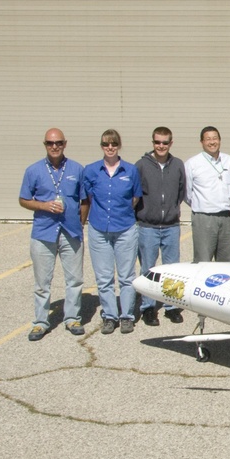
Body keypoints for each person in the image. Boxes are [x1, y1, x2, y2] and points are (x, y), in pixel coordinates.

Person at [19, 128, 86, 340]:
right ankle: (40, 322)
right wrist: (43, 205)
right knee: (42, 282)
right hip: (43, 232)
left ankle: (72, 318)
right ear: (45, 144)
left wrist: (80, 223)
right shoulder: (33, 170)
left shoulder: (77, 168)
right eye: (50, 143)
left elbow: (84, 200)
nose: (54, 147)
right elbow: (23, 199)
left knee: (74, 280)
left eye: (58, 143)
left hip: (70, 232)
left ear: (65, 144)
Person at [82, 129, 142, 334]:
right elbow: (89, 199)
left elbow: (135, 198)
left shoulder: (130, 171)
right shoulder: (90, 171)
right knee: (104, 277)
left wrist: (120, 214)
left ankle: (127, 316)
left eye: (114, 144)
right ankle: (109, 316)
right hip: (99, 230)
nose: (110, 148)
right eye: (106, 144)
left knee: (126, 276)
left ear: (119, 146)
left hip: (125, 228)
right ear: (101, 146)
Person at [135, 127, 186, 325]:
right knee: (148, 268)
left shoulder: (178, 165)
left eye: (165, 142)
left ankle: (171, 306)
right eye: (157, 142)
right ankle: (148, 307)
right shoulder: (141, 165)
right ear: (153, 143)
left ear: (170, 143)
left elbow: (181, 192)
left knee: (173, 269)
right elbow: (136, 193)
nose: (161, 146)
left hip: (171, 226)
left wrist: (172, 209)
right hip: (148, 226)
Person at [184, 126, 230, 263]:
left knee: (227, 262)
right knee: (203, 260)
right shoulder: (192, 164)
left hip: (227, 217)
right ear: (201, 142)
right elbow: (187, 193)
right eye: (208, 139)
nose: (212, 142)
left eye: (215, 138)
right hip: (204, 218)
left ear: (219, 140)